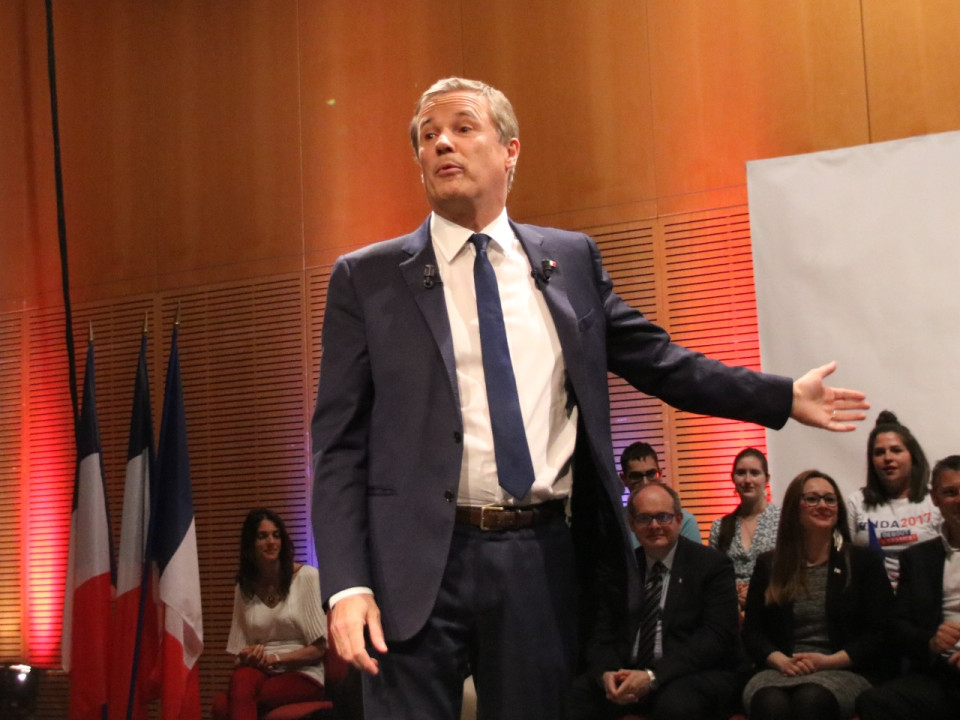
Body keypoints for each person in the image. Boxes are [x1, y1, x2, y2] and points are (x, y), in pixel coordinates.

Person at [310, 76, 869, 720]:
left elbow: (661, 361)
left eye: (463, 127)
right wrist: (346, 584)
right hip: (410, 565)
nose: (442, 143)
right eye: (427, 135)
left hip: (537, 556)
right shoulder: (367, 276)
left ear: (510, 149)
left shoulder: (568, 262)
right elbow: (338, 445)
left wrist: (778, 396)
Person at [568, 483, 744, 720]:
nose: (654, 526)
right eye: (644, 519)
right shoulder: (622, 570)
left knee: (676, 704)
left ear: (679, 520)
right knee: (577, 695)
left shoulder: (712, 566)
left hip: (691, 672)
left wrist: (652, 676)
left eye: (663, 517)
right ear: (631, 524)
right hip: (630, 670)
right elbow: (601, 635)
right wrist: (607, 675)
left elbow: (715, 638)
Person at [741, 470, 893, 720]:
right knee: (770, 704)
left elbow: (879, 632)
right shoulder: (770, 564)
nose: (823, 505)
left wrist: (829, 662)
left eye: (830, 499)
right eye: (812, 499)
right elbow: (753, 632)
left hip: (843, 669)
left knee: (810, 700)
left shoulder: (862, 561)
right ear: (794, 508)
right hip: (780, 669)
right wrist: (780, 661)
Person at [855, 455, 960, 720]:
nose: (959, 500)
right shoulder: (918, 558)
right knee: (874, 703)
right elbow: (898, 626)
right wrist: (932, 642)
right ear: (934, 498)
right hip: (941, 674)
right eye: (950, 492)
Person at [215, 509, 328, 720]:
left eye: (276, 535)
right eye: (262, 536)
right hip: (261, 671)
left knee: (225, 704)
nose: (271, 542)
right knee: (241, 681)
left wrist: (274, 658)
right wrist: (249, 656)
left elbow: (319, 649)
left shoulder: (307, 577)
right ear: (250, 545)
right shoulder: (244, 587)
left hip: (303, 672)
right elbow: (238, 654)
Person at [847, 410, 942, 585]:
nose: (888, 458)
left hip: (924, 595)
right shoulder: (857, 502)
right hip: (875, 599)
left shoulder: (934, 500)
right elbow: (847, 559)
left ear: (913, 457)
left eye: (896, 450)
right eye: (879, 452)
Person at [709, 448, 780, 609]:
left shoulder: (783, 521)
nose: (748, 480)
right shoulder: (719, 527)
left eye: (755, 473)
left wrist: (757, 592)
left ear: (766, 478)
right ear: (732, 478)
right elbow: (713, 577)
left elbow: (792, 571)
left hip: (773, 607)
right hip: (731, 611)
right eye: (741, 473)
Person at [620, 441, 701, 543]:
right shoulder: (614, 522)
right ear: (623, 479)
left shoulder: (684, 521)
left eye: (651, 474)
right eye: (636, 476)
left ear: (660, 474)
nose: (645, 482)